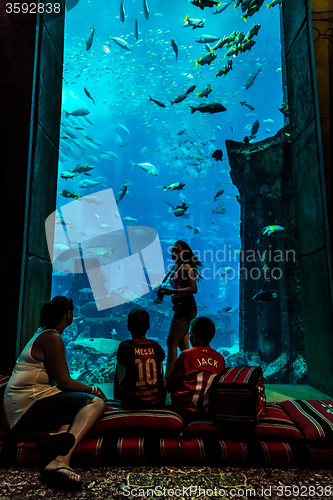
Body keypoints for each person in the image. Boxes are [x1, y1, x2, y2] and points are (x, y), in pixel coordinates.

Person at [2, 296, 107, 485]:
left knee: (71, 417)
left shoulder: (43, 333)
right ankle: (62, 459)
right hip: (26, 409)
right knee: (95, 402)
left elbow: (61, 385)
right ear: (68, 315)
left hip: (21, 406)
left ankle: (57, 438)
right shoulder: (52, 337)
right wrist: (94, 389)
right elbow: (65, 383)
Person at [165, 316, 225, 421]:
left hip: (183, 410)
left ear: (193, 337)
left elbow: (170, 385)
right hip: (208, 411)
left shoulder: (186, 355)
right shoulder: (220, 358)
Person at [159, 240, 202, 378]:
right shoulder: (176, 267)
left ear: (185, 253)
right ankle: (193, 375)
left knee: (171, 342)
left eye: (177, 250)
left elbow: (193, 289)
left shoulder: (186, 267)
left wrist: (172, 291)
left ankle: (168, 381)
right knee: (184, 348)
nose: (174, 253)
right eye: (173, 250)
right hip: (180, 306)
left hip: (185, 307)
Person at [114, 308, 166, 409]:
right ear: (148, 327)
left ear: (128, 327)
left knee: (119, 364)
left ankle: (117, 400)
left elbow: (121, 376)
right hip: (157, 401)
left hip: (132, 402)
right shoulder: (156, 346)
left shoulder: (125, 346)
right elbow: (161, 372)